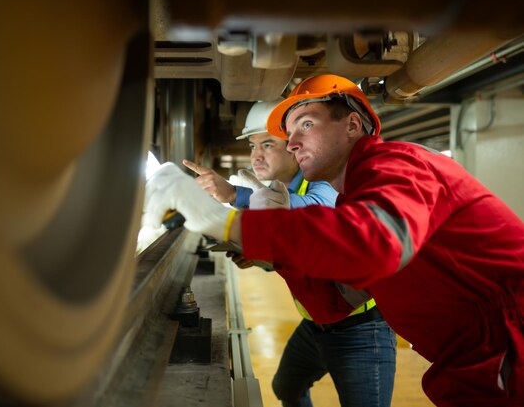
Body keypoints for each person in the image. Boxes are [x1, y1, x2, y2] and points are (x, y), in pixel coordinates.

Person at [143, 74, 524, 406]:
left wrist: (224, 222)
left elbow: (370, 246)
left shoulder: (398, 162)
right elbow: (338, 287)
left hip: (509, 346)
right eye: (289, 134)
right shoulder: (356, 195)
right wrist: (271, 254)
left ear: (353, 125)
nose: (292, 142)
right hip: (477, 356)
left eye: (305, 124)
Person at [182, 99, 396, 407]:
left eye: (268, 144)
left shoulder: (323, 184)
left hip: (361, 331)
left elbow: (308, 217)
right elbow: (304, 249)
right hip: (316, 324)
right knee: (286, 387)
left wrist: (233, 194)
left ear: (296, 147)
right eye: (253, 145)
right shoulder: (283, 190)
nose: (257, 155)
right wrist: (265, 261)